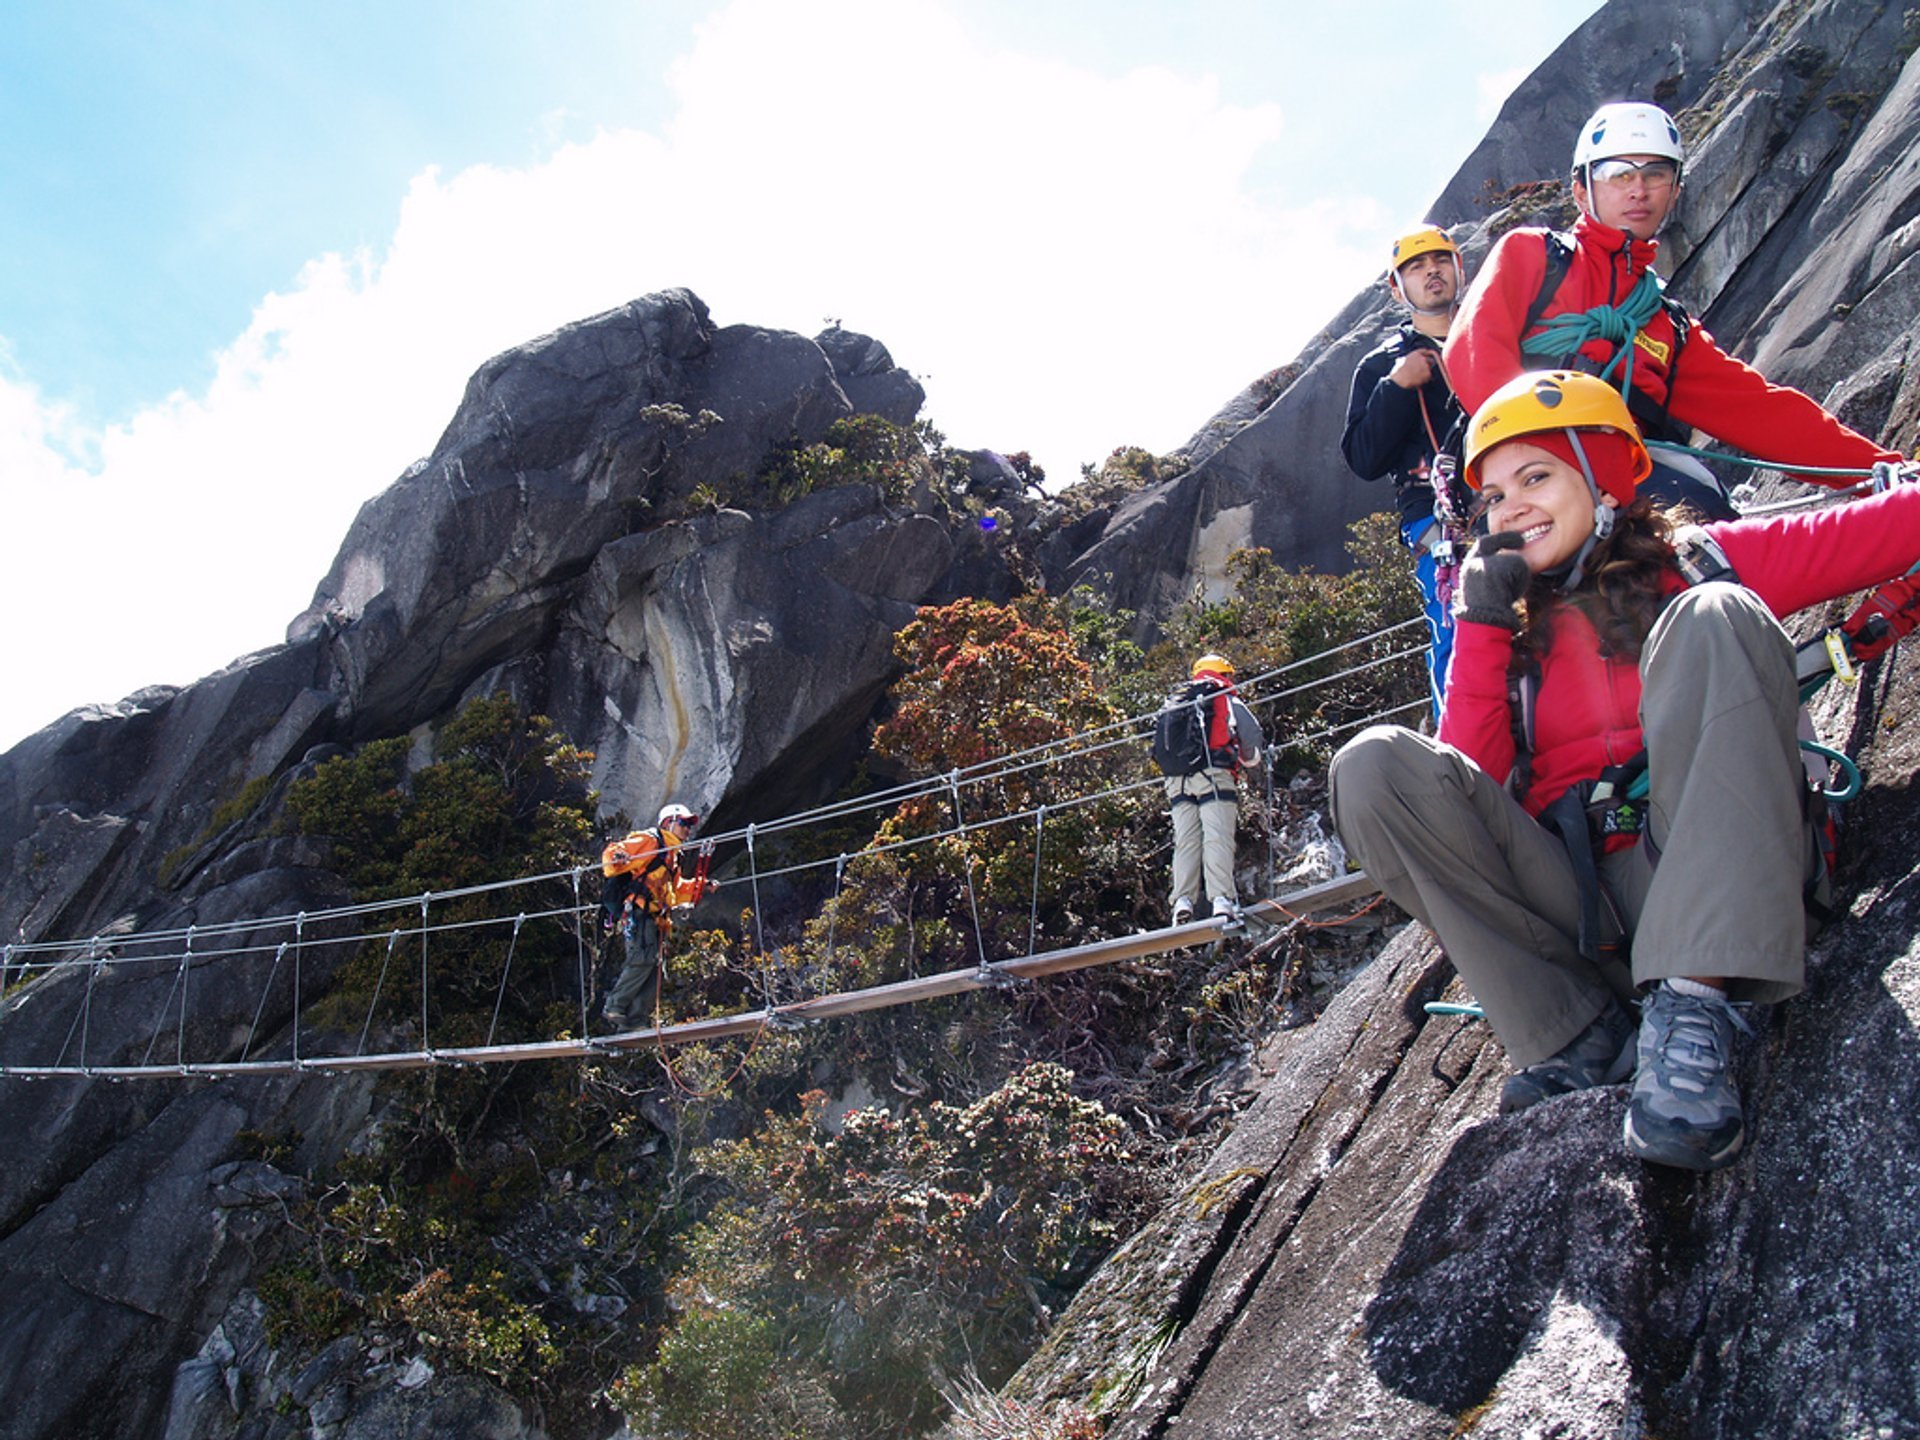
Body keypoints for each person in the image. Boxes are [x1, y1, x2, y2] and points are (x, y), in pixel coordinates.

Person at [1327, 370, 1920, 1171]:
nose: (1510, 509)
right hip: (1585, 910)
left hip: (1723, 873)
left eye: (1535, 476)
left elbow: (1889, 530)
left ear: (1603, 475)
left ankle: (1695, 1003)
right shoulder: (1504, 633)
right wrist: (1482, 626)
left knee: (1717, 616)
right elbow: (1459, 794)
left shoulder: (1703, 566)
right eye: (1493, 498)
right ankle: (1575, 1033)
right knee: (1373, 765)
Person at [1444, 101, 1901, 519]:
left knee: (1720, 530)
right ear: (1582, 191)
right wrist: (1566, 465)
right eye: (1619, 174)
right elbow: (1473, 355)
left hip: (1636, 485)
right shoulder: (1533, 257)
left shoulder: (1667, 325)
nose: (1638, 189)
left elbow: (1762, 413)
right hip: (1527, 479)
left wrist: (1885, 472)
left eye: (1655, 174)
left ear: (1675, 190)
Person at [1342, 225, 1471, 718]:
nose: (1431, 271)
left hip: (1513, 493)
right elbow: (1362, 457)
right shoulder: (1380, 366)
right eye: (1415, 267)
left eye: (1440, 261)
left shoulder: (1494, 333)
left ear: (1460, 269)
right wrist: (1396, 388)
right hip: (1436, 515)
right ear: (1397, 288)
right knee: (1457, 625)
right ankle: (1462, 754)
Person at [1157, 654, 1265, 924]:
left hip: (1177, 780)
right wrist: (1248, 760)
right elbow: (1251, 737)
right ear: (1225, 674)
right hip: (1213, 775)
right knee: (1217, 836)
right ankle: (1221, 901)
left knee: (1185, 841)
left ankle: (1182, 900)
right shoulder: (1225, 696)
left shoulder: (1177, 700)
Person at [597, 803, 716, 1029]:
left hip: (657, 918)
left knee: (656, 971)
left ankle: (636, 1019)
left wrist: (702, 886)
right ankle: (614, 1005)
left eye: (689, 825)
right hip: (640, 912)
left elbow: (676, 890)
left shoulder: (673, 855)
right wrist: (619, 856)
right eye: (683, 823)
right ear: (667, 823)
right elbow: (611, 858)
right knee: (641, 960)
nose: (687, 830)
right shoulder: (650, 840)